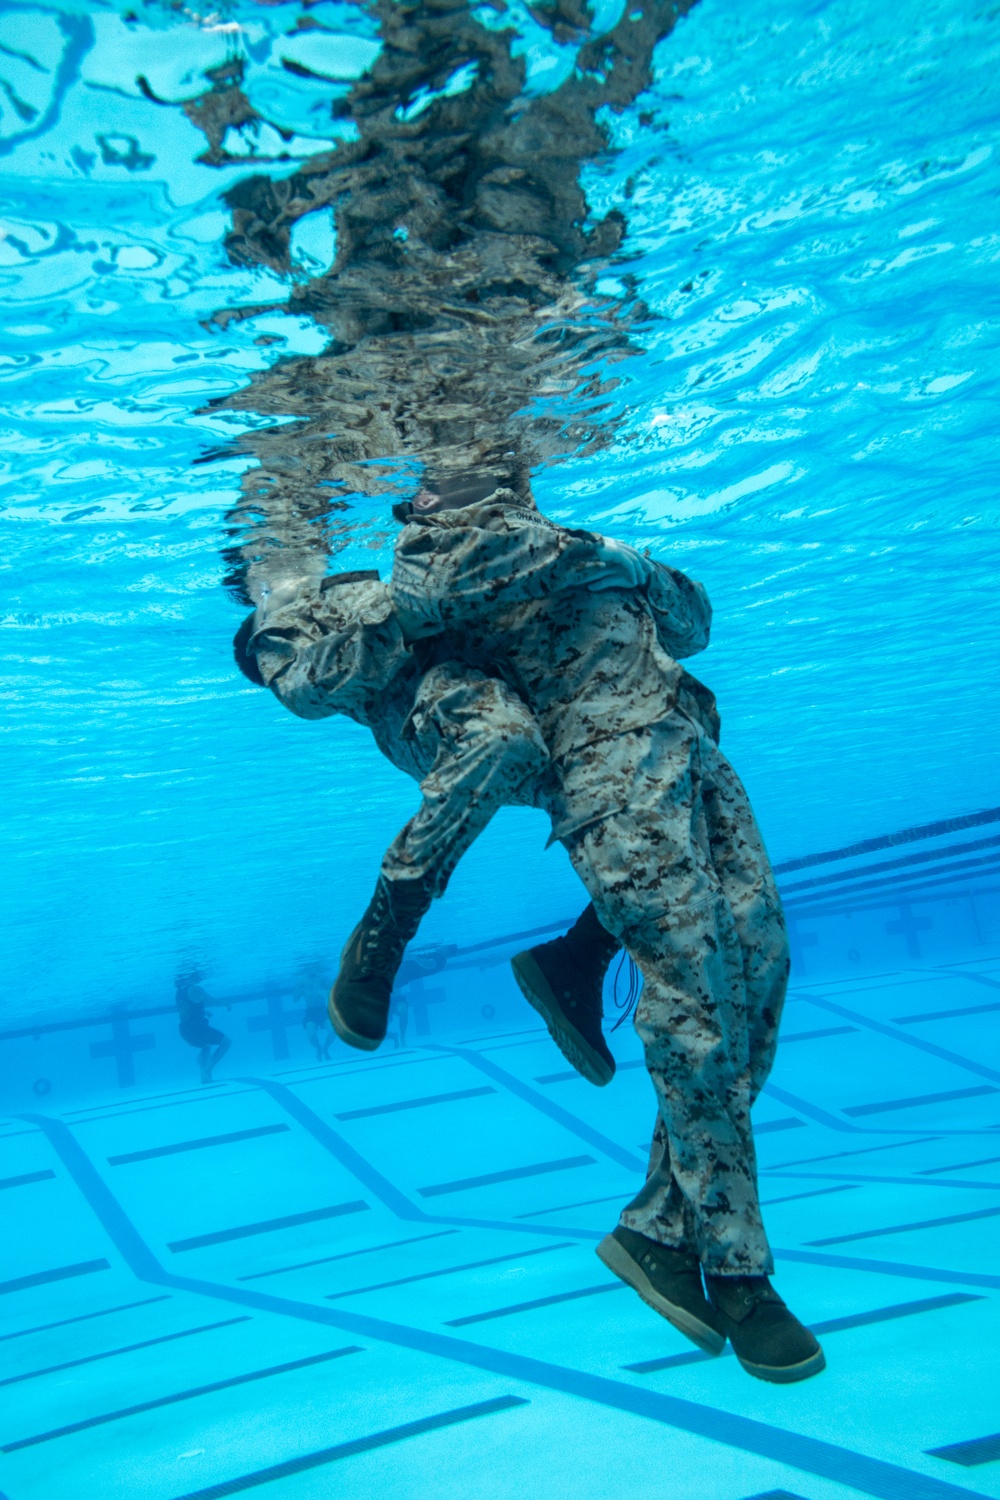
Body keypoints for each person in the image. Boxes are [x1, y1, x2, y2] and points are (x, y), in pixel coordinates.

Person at [388, 473, 823, 1385]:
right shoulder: (432, 554)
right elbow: (441, 595)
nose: (498, 471)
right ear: (419, 493)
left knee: (758, 977)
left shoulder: (583, 546)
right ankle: (741, 1271)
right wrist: (590, 555)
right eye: (444, 478)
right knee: (695, 1009)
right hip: (610, 780)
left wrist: (615, 558)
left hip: (695, 759)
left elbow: (696, 620)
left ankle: (662, 1228)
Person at [233, 551, 622, 1082]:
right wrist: (399, 611)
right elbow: (306, 688)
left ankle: (583, 951)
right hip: (429, 709)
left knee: (664, 778)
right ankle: (389, 920)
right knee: (506, 742)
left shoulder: (361, 578)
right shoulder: (277, 629)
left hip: (514, 680)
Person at [175, 971, 231, 1084]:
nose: (200, 979)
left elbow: (188, 1010)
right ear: (191, 977)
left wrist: (204, 1012)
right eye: (198, 976)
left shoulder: (179, 992)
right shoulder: (195, 988)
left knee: (206, 1046)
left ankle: (204, 1075)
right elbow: (211, 1001)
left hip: (184, 1031)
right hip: (198, 1029)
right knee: (226, 1043)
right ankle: (207, 1070)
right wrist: (226, 1004)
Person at [295, 961, 334, 1061]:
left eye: (314, 967)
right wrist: (301, 990)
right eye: (309, 967)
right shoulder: (302, 980)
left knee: (332, 1032)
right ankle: (319, 1049)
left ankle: (325, 1049)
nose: (312, 970)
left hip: (323, 1010)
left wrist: (324, 992)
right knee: (312, 1036)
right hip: (310, 1012)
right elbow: (295, 998)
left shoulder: (323, 978)